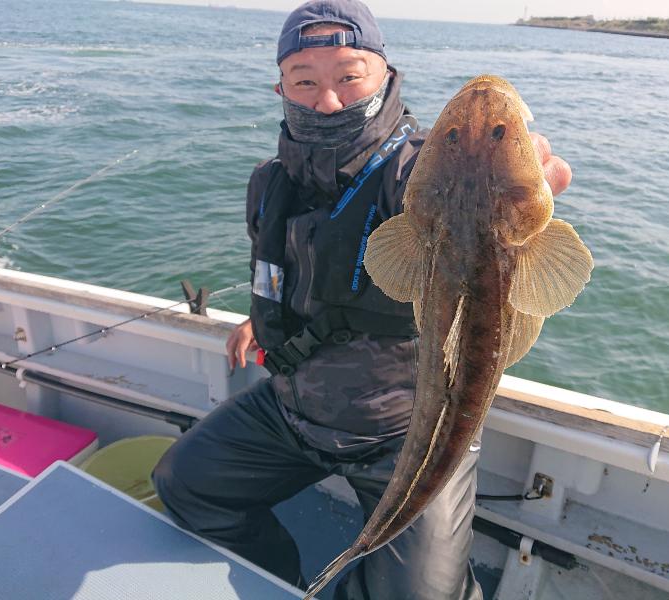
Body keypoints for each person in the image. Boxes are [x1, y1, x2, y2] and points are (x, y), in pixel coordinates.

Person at [153, 1, 572, 598]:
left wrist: (531, 186)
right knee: (183, 482)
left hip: (407, 430)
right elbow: (289, 267)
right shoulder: (269, 181)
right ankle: (285, 585)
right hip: (292, 409)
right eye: (306, 81)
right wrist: (261, 319)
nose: (328, 100)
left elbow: (432, 199)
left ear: (386, 73)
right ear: (282, 88)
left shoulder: (421, 172)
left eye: (350, 76)